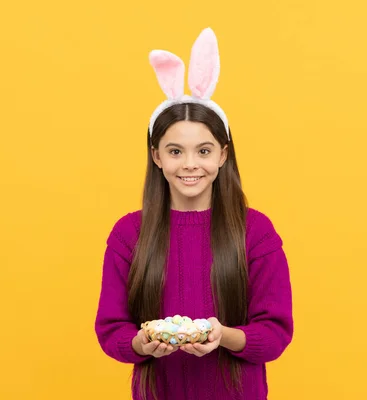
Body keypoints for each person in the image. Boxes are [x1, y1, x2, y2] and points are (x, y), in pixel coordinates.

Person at [95, 27, 294, 400]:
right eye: (175, 151)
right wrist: (141, 343)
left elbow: (275, 334)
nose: (190, 165)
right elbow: (111, 330)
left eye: (203, 151)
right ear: (156, 156)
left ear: (223, 154)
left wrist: (223, 336)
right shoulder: (129, 233)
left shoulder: (255, 231)